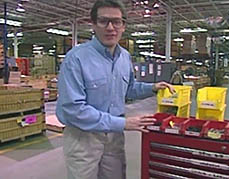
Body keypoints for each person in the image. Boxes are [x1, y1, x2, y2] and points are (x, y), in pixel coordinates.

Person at [56, 1, 174, 179]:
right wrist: (123, 123)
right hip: (84, 137)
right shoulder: (76, 58)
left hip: (114, 138)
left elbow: (128, 90)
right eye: (104, 21)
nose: (111, 27)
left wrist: (153, 88)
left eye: (116, 22)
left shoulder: (124, 57)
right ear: (93, 24)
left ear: (123, 26)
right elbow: (73, 109)